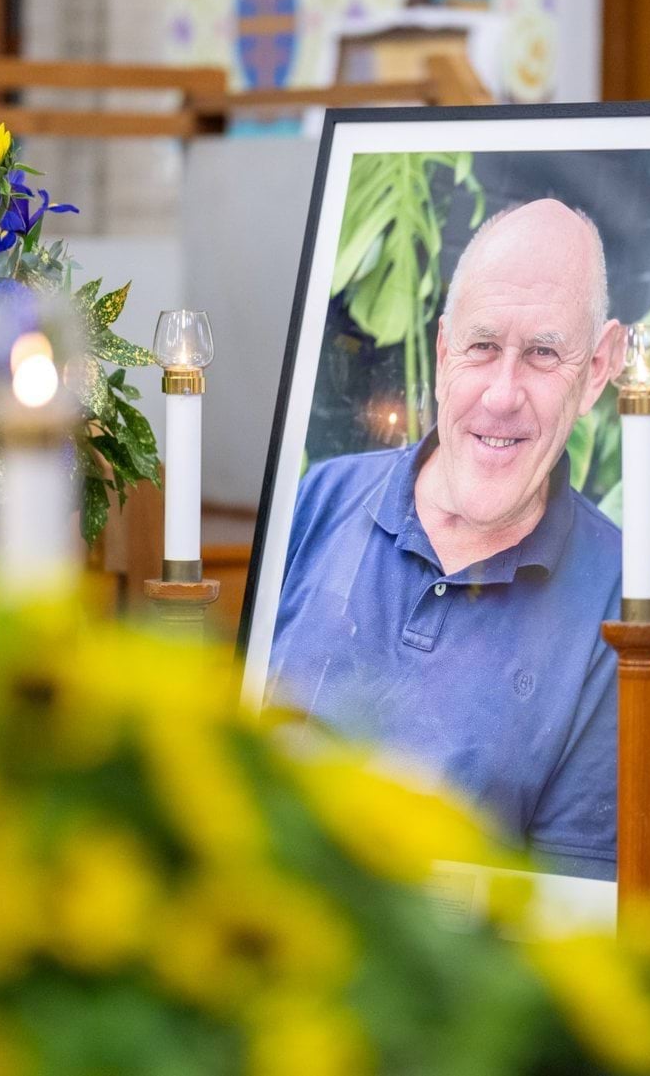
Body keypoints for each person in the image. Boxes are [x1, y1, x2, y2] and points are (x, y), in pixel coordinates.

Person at [268, 199, 626, 878]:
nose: (501, 394)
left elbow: (569, 900)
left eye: (544, 353)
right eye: (482, 346)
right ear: (442, 351)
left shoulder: (619, 592)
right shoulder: (318, 501)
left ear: (599, 369)